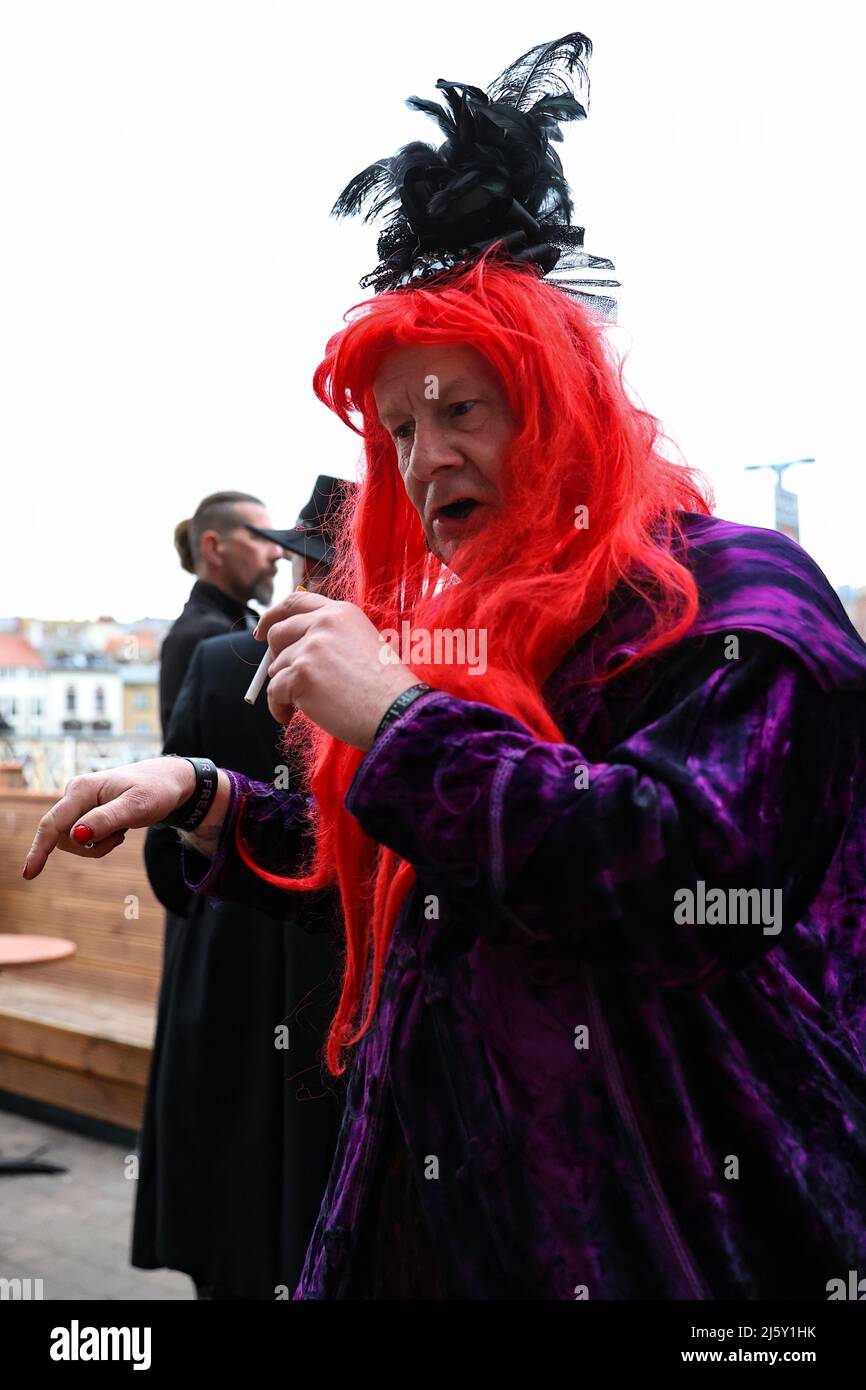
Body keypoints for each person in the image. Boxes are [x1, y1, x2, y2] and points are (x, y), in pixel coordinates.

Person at [23, 32, 866, 1300]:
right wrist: (208, 797)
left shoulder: (740, 596)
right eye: (400, 427)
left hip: (669, 1230)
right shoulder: (472, 618)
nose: (419, 463)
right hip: (432, 1206)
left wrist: (400, 716)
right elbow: (425, 884)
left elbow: (692, 872)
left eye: (458, 412)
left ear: (560, 407)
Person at [133, 479, 350, 1300]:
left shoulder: (222, 657)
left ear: (301, 567)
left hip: (223, 949)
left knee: (226, 1172)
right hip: (331, 975)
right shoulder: (407, 675)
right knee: (313, 1187)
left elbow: (169, 854)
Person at [159, 491, 284, 732]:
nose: (277, 553)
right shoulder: (198, 636)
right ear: (214, 548)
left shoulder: (236, 622)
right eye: (260, 538)